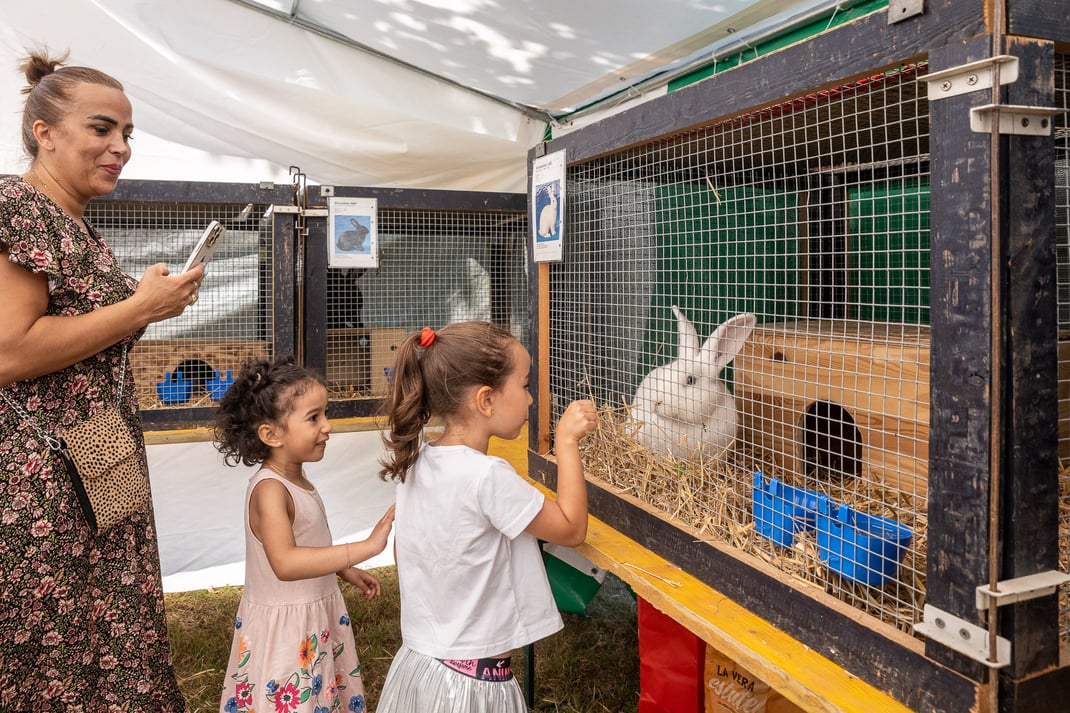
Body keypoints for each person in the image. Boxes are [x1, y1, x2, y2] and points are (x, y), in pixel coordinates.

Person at [0, 50, 206, 709]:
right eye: (101, 129)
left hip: (98, 458)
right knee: (55, 645)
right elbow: (9, 350)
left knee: (109, 631)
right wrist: (140, 307)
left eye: (127, 134)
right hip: (44, 480)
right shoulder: (20, 208)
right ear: (46, 133)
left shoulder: (78, 225)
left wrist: (149, 302)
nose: (120, 147)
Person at [375, 322, 598, 712]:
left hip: (420, 665)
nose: (530, 400)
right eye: (525, 385)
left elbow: (404, 553)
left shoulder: (420, 461)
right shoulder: (487, 476)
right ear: (486, 401)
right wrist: (566, 442)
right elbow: (571, 527)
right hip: (472, 685)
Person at [213, 356, 395, 713]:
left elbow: (308, 544)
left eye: (325, 413)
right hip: (287, 631)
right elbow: (285, 561)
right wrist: (365, 548)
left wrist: (343, 571)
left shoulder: (297, 480)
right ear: (271, 434)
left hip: (311, 620)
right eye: (313, 418)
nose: (327, 426)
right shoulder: (270, 490)